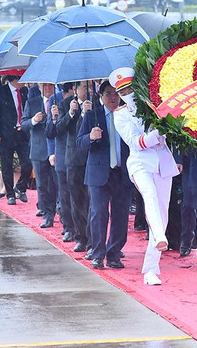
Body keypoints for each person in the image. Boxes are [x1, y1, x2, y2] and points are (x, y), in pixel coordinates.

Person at [110, 67, 180, 286]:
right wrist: (158, 133)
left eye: (130, 88)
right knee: (148, 195)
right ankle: (159, 236)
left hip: (163, 164)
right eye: (122, 92)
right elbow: (136, 142)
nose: (127, 94)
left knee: (162, 212)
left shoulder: (153, 105)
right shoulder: (120, 115)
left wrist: (168, 124)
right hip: (140, 164)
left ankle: (151, 268)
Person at [76, 81, 133, 270]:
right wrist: (90, 137)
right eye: (108, 94)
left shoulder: (128, 115)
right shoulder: (92, 116)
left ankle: (114, 253)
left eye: (117, 93)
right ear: (101, 96)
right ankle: (98, 254)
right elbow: (79, 143)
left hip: (122, 171)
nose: (113, 98)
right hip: (99, 172)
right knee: (99, 213)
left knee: (121, 214)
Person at [56, 81, 92, 253]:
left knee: (94, 202)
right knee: (76, 200)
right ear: (76, 89)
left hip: (93, 158)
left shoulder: (97, 103)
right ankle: (81, 237)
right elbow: (59, 129)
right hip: (73, 157)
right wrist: (73, 113)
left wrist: (88, 114)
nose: (88, 91)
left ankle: (95, 240)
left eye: (90, 87)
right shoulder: (65, 104)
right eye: (84, 87)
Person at [0, 72, 33, 205]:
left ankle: (20, 187)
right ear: (15, 79)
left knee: (27, 162)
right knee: (7, 165)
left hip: (22, 132)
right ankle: (10, 193)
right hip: (6, 133)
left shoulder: (25, 91)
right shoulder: (0, 92)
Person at [21, 82, 58, 228]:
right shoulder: (32, 102)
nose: (47, 88)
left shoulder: (59, 101)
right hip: (38, 148)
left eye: (50, 85)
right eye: (44, 85)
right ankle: (47, 214)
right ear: (39, 86)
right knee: (43, 185)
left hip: (56, 148)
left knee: (57, 184)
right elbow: (24, 124)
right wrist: (34, 120)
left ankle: (61, 212)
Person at [46, 82, 75, 242]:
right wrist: (54, 118)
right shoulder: (58, 103)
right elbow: (50, 132)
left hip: (79, 157)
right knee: (64, 195)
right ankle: (68, 226)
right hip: (63, 155)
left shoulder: (89, 104)